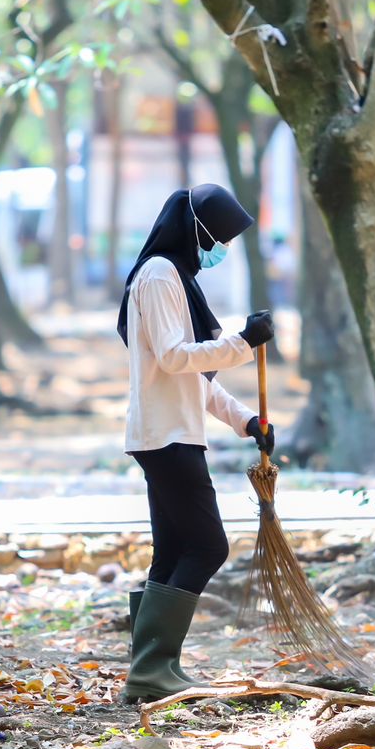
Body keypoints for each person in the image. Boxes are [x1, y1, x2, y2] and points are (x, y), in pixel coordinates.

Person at [118, 184, 275, 702]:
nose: (221, 250)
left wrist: (245, 421)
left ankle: (152, 673)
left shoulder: (175, 276)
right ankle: (151, 668)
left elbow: (197, 378)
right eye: (219, 239)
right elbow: (173, 356)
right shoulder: (161, 273)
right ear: (195, 230)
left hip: (167, 432)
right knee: (209, 546)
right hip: (167, 437)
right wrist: (243, 342)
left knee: (172, 553)